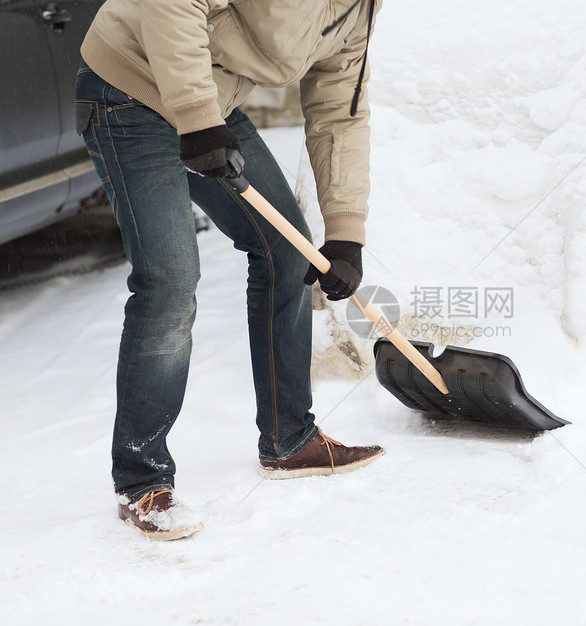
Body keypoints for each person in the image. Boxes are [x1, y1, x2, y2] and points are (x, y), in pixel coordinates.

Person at [74, 0, 383, 541]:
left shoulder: (359, 13)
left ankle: (290, 438)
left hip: (207, 100)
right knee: (170, 283)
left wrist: (346, 232)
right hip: (129, 88)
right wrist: (198, 119)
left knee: (288, 253)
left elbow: (340, 111)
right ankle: (142, 480)